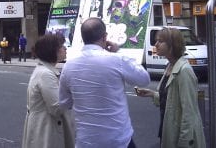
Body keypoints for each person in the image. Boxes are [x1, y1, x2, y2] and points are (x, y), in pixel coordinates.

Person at [59, 17, 150, 148]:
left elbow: (64, 103)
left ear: (83, 38)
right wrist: (118, 51)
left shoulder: (69, 66)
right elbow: (144, 79)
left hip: (86, 141)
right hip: (118, 140)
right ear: (104, 37)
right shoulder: (116, 60)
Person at [135, 27, 206, 148]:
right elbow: (171, 100)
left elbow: (189, 113)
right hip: (167, 129)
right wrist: (152, 94)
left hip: (179, 135)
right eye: (156, 40)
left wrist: (184, 142)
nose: (156, 44)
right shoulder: (169, 66)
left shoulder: (184, 71)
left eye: (160, 41)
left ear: (173, 45)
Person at [22, 34, 74, 148]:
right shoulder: (46, 74)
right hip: (46, 130)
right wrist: (73, 93)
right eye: (61, 46)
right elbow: (56, 108)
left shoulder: (44, 70)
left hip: (43, 126)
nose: (65, 48)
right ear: (52, 51)